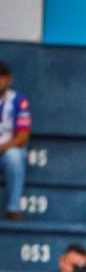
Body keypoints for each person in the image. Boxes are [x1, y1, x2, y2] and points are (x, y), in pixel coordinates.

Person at [0, 60, 31, 221]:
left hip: (6, 151)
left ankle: (13, 208)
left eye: (2, 76)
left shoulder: (19, 100)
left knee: (14, 156)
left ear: (9, 79)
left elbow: (23, 138)